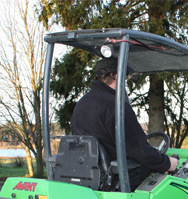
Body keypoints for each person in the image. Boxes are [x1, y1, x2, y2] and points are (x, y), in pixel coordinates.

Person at [70, 58, 178, 190]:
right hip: (114, 179)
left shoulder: (82, 104)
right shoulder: (116, 106)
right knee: (167, 181)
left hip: (89, 175)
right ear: (116, 76)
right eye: (125, 79)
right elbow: (140, 151)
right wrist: (167, 163)